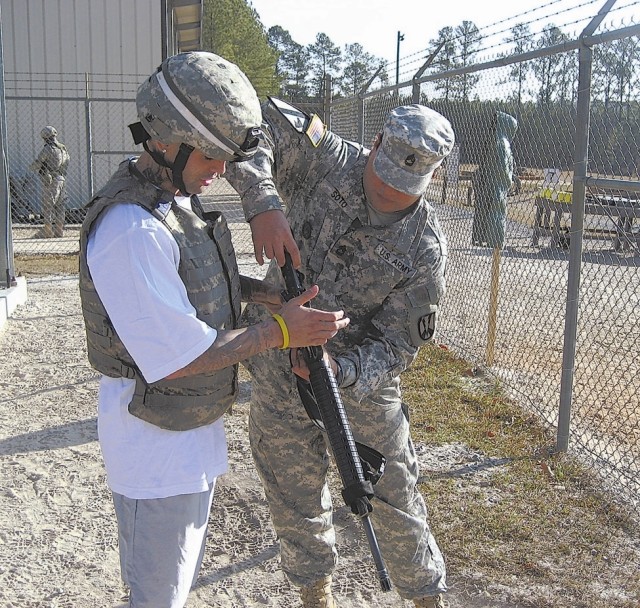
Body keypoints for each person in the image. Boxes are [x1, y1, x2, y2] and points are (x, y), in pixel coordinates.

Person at [77, 52, 349, 608]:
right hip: (154, 448)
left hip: (183, 436)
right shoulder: (132, 229)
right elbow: (176, 357)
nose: (220, 170)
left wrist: (262, 293)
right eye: (209, 154)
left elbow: (185, 287)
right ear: (163, 140)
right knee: (159, 597)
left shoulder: (171, 204)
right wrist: (280, 330)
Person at [226, 99, 455, 608]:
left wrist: (342, 370)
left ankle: (425, 598)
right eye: (382, 180)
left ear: (432, 179)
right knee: (291, 493)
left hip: (356, 385)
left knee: (393, 495)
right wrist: (264, 203)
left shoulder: (424, 248)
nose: (388, 195)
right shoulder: (324, 157)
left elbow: (398, 345)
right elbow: (249, 122)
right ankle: (316, 596)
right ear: (373, 145)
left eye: (403, 191)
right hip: (279, 361)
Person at [471, 110, 518, 248]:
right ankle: (495, 241)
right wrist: (508, 181)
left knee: (488, 210)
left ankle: (484, 238)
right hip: (498, 185)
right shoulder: (503, 144)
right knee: (497, 213)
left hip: (491, 183)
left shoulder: (496, 142)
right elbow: (503, 167)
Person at [30, 125, 70, 238]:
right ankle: (59, 231)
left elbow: (38, 162)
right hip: (62, 179)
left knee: (48, 206)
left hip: (51, 180)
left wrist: (32, 167)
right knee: (60, 206)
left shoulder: (48, 149)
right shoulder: (63, 149)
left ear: (45, 137)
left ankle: (47, 230)